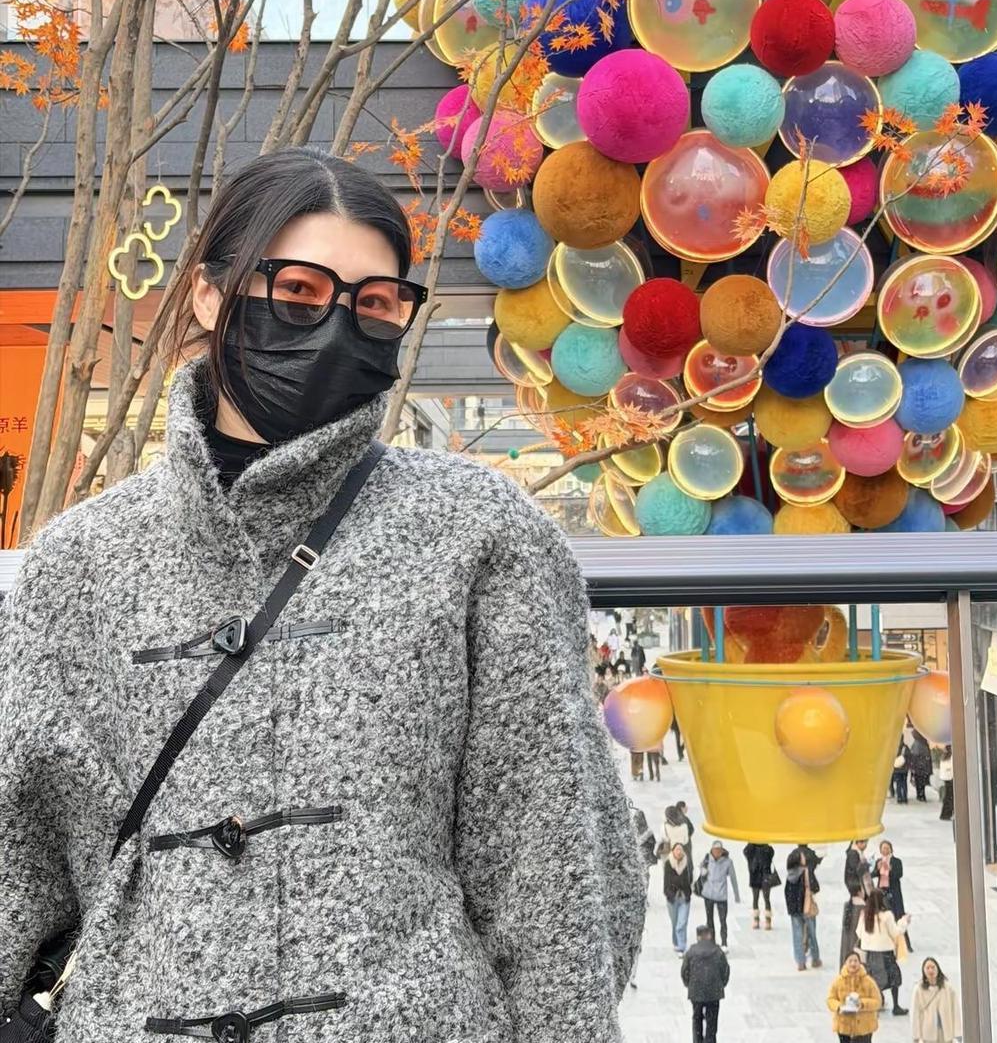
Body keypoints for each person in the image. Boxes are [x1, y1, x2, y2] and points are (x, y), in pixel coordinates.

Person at [0, 148, 646, 1039]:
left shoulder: (477, 533)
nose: (336, 325)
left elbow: (554, 871)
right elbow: (17, 858)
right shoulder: (78, 564)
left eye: (373, 303)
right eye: (299, 290)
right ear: (209, 294)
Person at [855, 888, 909, 1017]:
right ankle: (896, 1006)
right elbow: (895, 932)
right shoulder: (887, 915)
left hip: (870, 953)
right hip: (885, 952)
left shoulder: (864, 915)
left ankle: (876, 1003)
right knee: (894, 978)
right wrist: (904, 922)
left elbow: (859, 933)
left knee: (874, 978)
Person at [681, 924, 730, 1043]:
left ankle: (697, 1040)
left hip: (696, 990)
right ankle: (710, 1040)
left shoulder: (691, 951)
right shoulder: (718, 951)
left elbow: (684, 971)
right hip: (714, 991)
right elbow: (725, 970)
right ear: (709, 935)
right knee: (712, 1020)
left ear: (698, 937)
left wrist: (689, 985)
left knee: (697, 1017)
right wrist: (721, 984)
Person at [785, 843, 824, 972]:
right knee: (811, 933)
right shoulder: (806, 872)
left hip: (794, 908)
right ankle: (815, 959)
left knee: (797, 934)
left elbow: (787, 893)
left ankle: (800, 962)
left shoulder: (790, 875)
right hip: (806, 906)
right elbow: (815, 887)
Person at [827, 950, 883, 1037]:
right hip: (843, 1025)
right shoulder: (838, 981)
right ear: (845, 963)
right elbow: (830, 999)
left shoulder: (869, 981)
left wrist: (862, 1004)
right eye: (850, 961)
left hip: (864, 1027)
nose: (853, 964)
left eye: (856, 961)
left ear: (860, 963)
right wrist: (839, 1007)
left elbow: (878, 1002)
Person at [698, 839, 740, 946]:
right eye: (715, 850)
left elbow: (733, 878)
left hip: (721, 896)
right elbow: (701, 872)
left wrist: (737, 895)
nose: (717, 852)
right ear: (712, 850)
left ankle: (724, 943)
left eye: (719, 850)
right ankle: (711, 942)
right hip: (708, 895)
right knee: (709, 920)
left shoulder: (728, 862)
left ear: (722, 851)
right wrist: (702, 871)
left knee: (723, 920)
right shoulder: (707, 859)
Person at [910, 958, 959, 1043]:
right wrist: (916, 1036)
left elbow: (955, 1010)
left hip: (946, 1031)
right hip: (928, 1033)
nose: (930, 970)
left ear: (938, 969)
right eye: (927, 968)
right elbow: (915, 1013)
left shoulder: (948, 988)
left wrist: (957, 1032)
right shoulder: (918, 989)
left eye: (933, 967)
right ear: (924, 971)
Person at [871, 838, 908, 930]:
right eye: (883, 848)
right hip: (881, 891)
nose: (885, 850)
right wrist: (877, 869)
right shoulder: (879, 861)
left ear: (891, 849)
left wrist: (890, 870)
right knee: (882, 913)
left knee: (895, 914)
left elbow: (899, 874)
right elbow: (872, 875)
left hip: (893, 891)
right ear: (880, 850)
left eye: (887, 848)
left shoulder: (897, 861)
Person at [664, 842, 693, 954]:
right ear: (673, 851)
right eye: (677, 849)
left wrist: (679, 881)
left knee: (682, 923)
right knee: (675, 922)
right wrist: (669, 893)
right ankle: (676, 943)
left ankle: (682, 946)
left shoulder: (687, 863)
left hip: (684, 897)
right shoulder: (668, 863)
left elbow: (689, 880)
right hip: (672, 898)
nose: (679, 852)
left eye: (681, 849)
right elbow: (667, 881)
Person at [743, 839, 778, 930]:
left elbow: (746, 852)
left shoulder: (757, 848)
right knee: (761, 898)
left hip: (760, 875)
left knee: (760, 898)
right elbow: (746, 852)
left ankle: (761, 920)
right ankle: (764, 920)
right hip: (760, 876)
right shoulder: (764, 848)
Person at [665, 801, 696, 865]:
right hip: (685, 844)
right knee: (687, 861)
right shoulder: (684, 818)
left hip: (673, 844)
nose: (686, 809)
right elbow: (691, 830)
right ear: (682, 808)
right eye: (685, 808)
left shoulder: (669, 818)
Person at [909, 729, 934, 803]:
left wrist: (912, 767)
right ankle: (922, 795)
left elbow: (914, 756)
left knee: (918, 782)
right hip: (923, 767)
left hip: (918, 768)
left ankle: (920, 795)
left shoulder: (916, 744)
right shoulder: (924, 743)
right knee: (922, 783)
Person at [890, 729, 912, 805]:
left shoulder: (894, 747)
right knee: (904, 783)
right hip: (904, 769)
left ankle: (899, 798)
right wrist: (907, 766)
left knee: (898, 783)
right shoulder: (905, 747)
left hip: (896, 769)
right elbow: (909, 758)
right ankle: (904, 798)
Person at [937, 745, 955, 822]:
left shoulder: (943, 757)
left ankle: (945, 813)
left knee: (948, 796)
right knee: (950, 797)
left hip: (946, 778)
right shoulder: (951, 757)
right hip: (951, 778)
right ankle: (946, 814)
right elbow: (953, 768)